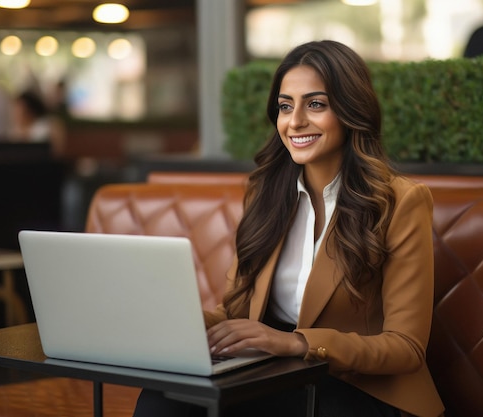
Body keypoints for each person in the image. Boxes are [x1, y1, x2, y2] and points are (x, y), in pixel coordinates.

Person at [133, 40, 445, 417]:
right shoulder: (265, 196)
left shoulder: (400, 202)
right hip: (278, 375)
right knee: (162, 400)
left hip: (362, 390)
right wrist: (173, 322)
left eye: (315, 104)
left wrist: (296, 343)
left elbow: (405, 348)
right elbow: (236, 310)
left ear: (350, 111)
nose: (295, 121)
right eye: (285, 106)